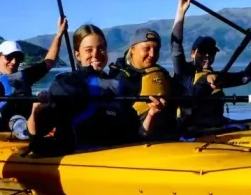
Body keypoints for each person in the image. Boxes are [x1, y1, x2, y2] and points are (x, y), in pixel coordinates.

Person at [27, 24, 166, 154]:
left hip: (117, 156)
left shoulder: (116, 85)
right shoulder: (67, 84)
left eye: (101, 48)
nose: (96, 54)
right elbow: (39, 135)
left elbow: (138, 134)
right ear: (77, 55)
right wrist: (36, 111)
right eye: (89, 50)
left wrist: (152, 114)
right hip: (79, 160)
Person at [170, 0, 251, 129]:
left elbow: (246, 76)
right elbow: (176, 46)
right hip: (191, 129)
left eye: (211, 52)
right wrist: (180, 12)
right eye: (203, 51)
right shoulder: (183, 72)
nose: (207, 55)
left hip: (218, 126)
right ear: (193, 53)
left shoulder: (219, 77)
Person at [0, 17, 68, 130]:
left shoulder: (25, 76)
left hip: (26, 130)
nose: (14, 61)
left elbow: (49, 62)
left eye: (18, 58)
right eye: (9, 57)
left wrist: (59, 34)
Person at [110, 27, 179, 138]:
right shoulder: (121, 80)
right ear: (132, 49)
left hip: (170, 138)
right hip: (139, 143)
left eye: (156, 50)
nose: (152, 54)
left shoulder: (163, 75)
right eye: (146, 48)